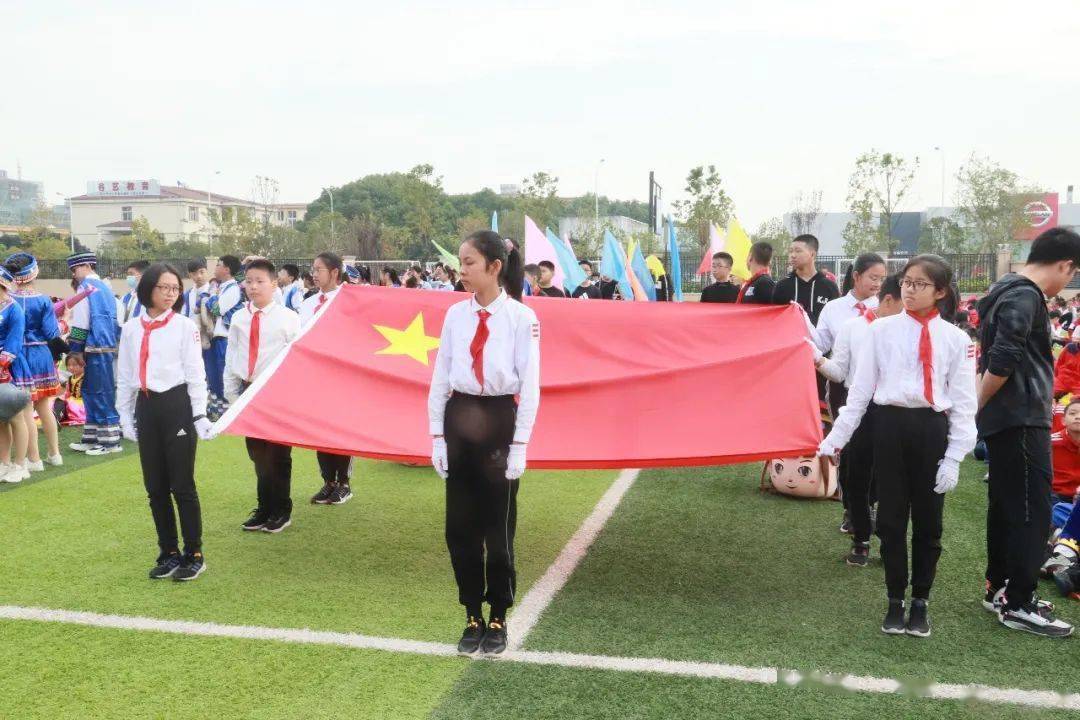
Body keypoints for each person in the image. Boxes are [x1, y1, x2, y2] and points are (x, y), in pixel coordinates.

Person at [819, 255, 977, 637]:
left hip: (930, 429)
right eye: (906, 282)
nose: (909, 289)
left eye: (920, 284)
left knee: (929, 522)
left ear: (940, 292)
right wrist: (835, 439)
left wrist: (954, 456)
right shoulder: (880, 331)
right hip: (888, 427)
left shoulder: (956, 340)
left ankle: (921, 600)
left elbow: (963, 401)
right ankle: (895, 599)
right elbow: (859, 392)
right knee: (890, 521)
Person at [429, 230, 540, 656]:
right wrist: (438, 435)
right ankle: (471, 613)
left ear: (495, 267)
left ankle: (498, 616)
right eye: (460, 262)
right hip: (460, 417)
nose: (462, 270)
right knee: (459, 527)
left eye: (469, 262)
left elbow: (530, 386)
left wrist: (520, 444)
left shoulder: (521, 318)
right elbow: (440, 376)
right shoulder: (455, 315)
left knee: (498, 528)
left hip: (498, 422)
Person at [976, 227, 1080, 637]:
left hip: (1008, 418)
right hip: (1020, 417)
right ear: (1064, 265)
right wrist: (976, 404)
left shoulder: (1004, 287)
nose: (1065, 285)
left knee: (1006, 506)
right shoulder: (1024, 295)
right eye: (1070, 274)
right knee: (1031, 510)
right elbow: (1003, 358)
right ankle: (1017, 602)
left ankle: (999, 586)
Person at [116, 262, 214, 582]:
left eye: (175, 289)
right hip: (147, 407)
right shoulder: (131, 329)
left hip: (177, 405)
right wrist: (124, 415)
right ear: (148, 289)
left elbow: (196, 373)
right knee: (155, 487)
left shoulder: (185, 326)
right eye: (164, 288)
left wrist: (199, 413)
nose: (171, 294)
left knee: (181, 484)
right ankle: (168, 551)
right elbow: (126, 376)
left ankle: (194, 552)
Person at [809, 273, 903, 566]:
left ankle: (890, 540)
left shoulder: (907, 328)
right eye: (905, 302)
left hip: (896, 410)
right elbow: (839, 372)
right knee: (856, 477)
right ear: (889, 300)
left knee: (894, 480)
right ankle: (861, 538)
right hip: (860, 408)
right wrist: (816, 358)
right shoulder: (853, 327)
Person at [225, 259, 301, 534]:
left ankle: (282, 509)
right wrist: (231, 392)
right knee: (257, 454)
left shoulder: (289, 318)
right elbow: (231, 355)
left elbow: (297, 361)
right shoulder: (238, 317)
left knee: (278, 454)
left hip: (277, 393)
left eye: (260, 281)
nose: (253, 286)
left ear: (273, 283)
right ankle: (264, 507)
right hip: (248, 390)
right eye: (249, 281)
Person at [815, 253, 886, 533]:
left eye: (882, 279)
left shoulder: (886, 308)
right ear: (856, 276)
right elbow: (821, 342)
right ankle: (852, 509)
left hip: (879, 392)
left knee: (876, 453)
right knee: (847, 450)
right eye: (872, 278)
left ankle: (871, 505)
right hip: (842, 387)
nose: (878, 284)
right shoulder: (834, 309)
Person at [299, 252, 354, 505]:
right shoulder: (308, 303)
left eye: (318, 269)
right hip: (315, 378)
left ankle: (344, 483)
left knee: (341, 430)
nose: (314, 273)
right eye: (313, 268)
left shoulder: (350, 301)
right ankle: (328, 481)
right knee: (320, 431)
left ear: (334, 273)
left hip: (342, 379)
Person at [5, 253, 63, 470]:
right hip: (41, 355)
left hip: (19, 355)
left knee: (26, 409)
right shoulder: (43, 299)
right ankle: (55, 454)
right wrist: (64, 323)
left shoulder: (9, 300)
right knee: (45, 407)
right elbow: (51, 332)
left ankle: (34, 459)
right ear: (34, 272)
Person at [67, 252, 122, 456]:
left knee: (98, 393)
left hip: (92, 347)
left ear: (86, 266)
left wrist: (75, 350)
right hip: (104, 345)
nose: (74, 274)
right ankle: (92, 437)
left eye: (75, 269)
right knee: (93, 392)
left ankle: (110, 442)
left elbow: (81, 322)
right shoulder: (106, 288)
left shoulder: (86, 288)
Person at [0, 267, 30, 484]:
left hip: (11, 368)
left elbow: (14, 344)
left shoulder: (14, 309)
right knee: (1, 420)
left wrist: (2, 363)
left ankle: (21, 464)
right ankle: (4, 463)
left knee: (16, 417)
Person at [206, 255, 243, 420]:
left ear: (227, 269)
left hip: (224, 339)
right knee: (212, 376)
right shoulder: (221, 288)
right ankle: (216, 410)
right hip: (214, 338)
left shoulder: (233, 289)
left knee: (223, 375)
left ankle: (227, 412)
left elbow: (216, 309)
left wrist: (210, 296)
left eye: (218, 265)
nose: (215, 269)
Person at [772, 234, 839, 324]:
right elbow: (774, 319)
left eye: (798, 251)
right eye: (790, 251)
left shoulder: (829, 287)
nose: (793, 255)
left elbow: (835, 320)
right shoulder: (782, 286)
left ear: (812, 254)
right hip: (791, 337)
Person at [54, 353, 86, 427]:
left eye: (75, 365)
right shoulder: (70, 378)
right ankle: (57, 417)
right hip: (72, 401)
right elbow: (67, 393)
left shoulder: (86, 378)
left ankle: (58, 417)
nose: (71, 368)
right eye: (68, 365)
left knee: (68, 404)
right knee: (57, 401)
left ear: (83, 364)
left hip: (82, 405)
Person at [119, 260, 150, 325]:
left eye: (131, 274)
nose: (128, 277)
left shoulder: (150, 298)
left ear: (143, 275)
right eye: (127, 274)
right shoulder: (125, 297)